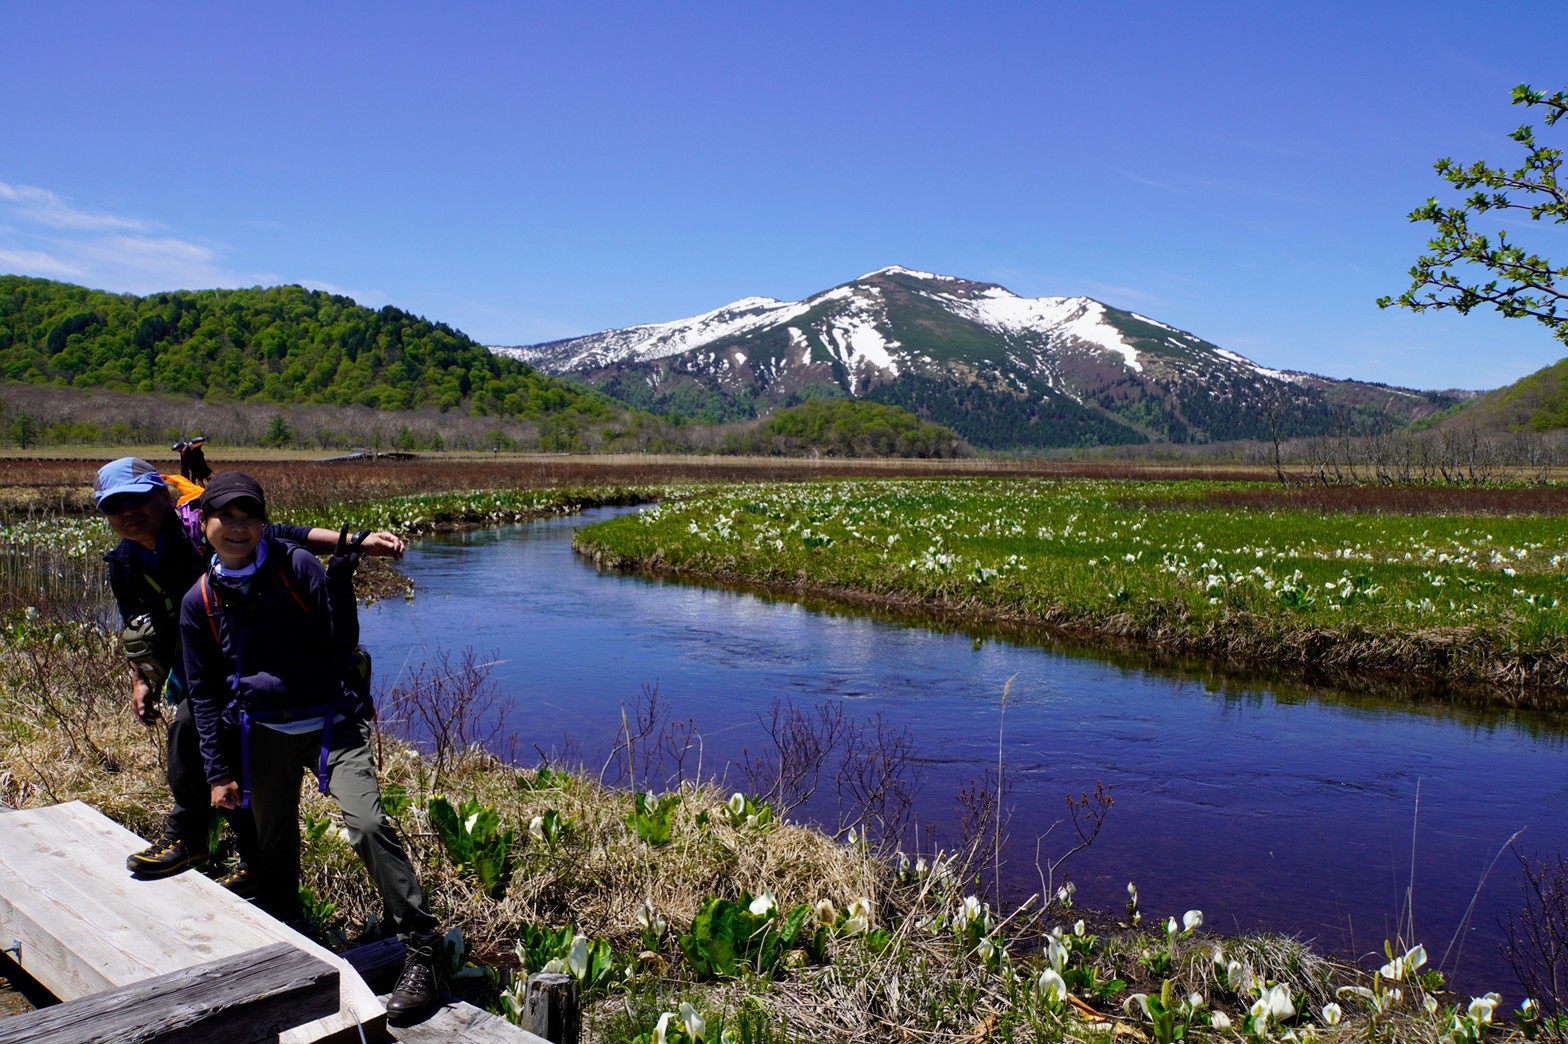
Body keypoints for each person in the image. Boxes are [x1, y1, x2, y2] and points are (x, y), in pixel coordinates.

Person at [180, 471, 439, 1022]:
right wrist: (217, 771)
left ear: (263, 523)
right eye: (226, 516)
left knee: (367, 825)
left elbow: (342, 641)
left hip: (330, 724)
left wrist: (340, 583)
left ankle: (422, 948)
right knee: (273, 848)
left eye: (249, 516)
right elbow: (202, 693)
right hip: (260, 733)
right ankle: (289, 945)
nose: (238, 527)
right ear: (204, 524)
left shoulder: (297, 566)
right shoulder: (198, 599)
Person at [96, 455, 405, 890]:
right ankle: (218, 847)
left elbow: (285, 534)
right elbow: (134, 623)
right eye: (115, 506)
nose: (129, 512)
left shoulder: (203, 528)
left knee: (206, 735)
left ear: (163, 495)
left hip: (245, 663)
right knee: (202, 739)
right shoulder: (123, 562)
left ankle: (210, 843)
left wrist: (356, 541)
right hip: (198, 662)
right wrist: (140, 679)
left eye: (138, 500)